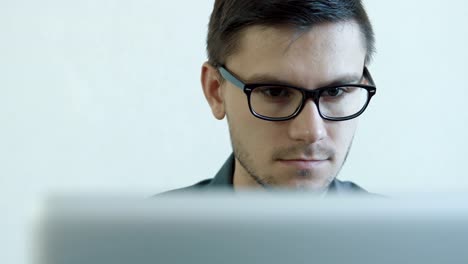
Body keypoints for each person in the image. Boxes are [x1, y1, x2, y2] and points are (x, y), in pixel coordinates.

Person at [165, 0, 377, 195]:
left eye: (335, 92)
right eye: (276, 92)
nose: (312, 132)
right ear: (215, 91)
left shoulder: (404, 236)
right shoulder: (147, 234)